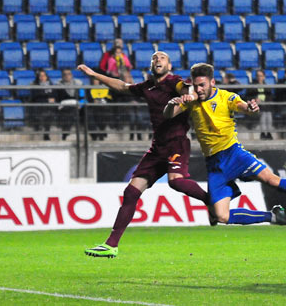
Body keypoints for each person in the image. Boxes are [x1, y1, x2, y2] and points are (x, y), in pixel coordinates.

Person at [163, 62, 286, 229]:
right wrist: (173, 104)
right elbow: (169, 114)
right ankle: (273, 217)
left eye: (202, 85)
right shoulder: (191, 99)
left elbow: (242, 106)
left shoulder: (225, 97)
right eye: (196, 85)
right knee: (221, 216)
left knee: (272, 179)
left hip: (234, 154)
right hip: (214, 164)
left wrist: (250, 108)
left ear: (212, 82)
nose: (199, 89)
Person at [80, 52, 214, 258]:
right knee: (131, 192)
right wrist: (93, 73)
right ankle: (111, 245)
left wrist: (190, 95)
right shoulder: (147, 86)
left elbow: (187, 89)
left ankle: (211, 202)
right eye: (154, 58)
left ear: (169, 64)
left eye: (161, 58)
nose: (157, 60)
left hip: (176, 142)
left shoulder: (174, 82)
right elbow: (121, 86)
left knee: (176, 182)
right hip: (157, 148)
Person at [111, 70, 145, 141]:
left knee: (139, 117)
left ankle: (139, 136)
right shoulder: (121, 87)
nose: (129, 78)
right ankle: (132, 136)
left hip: (137, 107)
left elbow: (140, 97)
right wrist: (130, 102)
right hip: (126, 107)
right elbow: (120, 98)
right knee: (132, 117)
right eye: (127, 77)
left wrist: (136, 102)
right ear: (123, 78)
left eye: (130, 77)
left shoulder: (136, 86)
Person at [245, 69, 274, 140]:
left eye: (261, 76)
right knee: (264, 114)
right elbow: (247, 97)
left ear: (264, 77)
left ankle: (268, 132)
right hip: (255, 107)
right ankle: (263, 133)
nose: (259, 77)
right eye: (258, 76)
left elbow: (270, 98)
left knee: (268, 114)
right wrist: (254, 99)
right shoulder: (251, 86)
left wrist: (264, 101)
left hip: (266, 107)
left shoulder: (267, 87)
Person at [56, 68, 82, 140]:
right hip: (64, 106)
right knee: (70, 111)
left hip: (78, 105)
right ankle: (66, 132)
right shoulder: (58, 85)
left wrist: (81, 104)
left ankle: (66, 133)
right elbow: (57, 98)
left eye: (69, 74)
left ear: (72, 75)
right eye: (65, 74)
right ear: (62, 76)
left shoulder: (79, 84)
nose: (67, 76)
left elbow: (83, 96)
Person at [31, 69, 56, 141]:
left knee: (49, 114)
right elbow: (36, 97)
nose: (42, 77)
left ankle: (46, 133)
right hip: (39, 106)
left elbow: (55, 95)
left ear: (47, 77)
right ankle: (44, 132)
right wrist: (47, 99)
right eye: (40, 76)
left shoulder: (51, 86)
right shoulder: (35, 86)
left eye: (44, 75)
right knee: (47, 113)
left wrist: (51, 99)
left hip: (50, 107)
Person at [86, 76, 110, 141]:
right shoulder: (88, 89)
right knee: (90, 115)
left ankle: (101, 131)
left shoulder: (103, 88)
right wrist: (92, 101)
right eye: (94, 80)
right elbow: (86, 99)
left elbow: (108, 98)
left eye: (96, 80)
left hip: (102, 107)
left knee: (103, 113)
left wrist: (102, 101)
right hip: (92, 107)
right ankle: (95, 134)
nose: (95, 81)